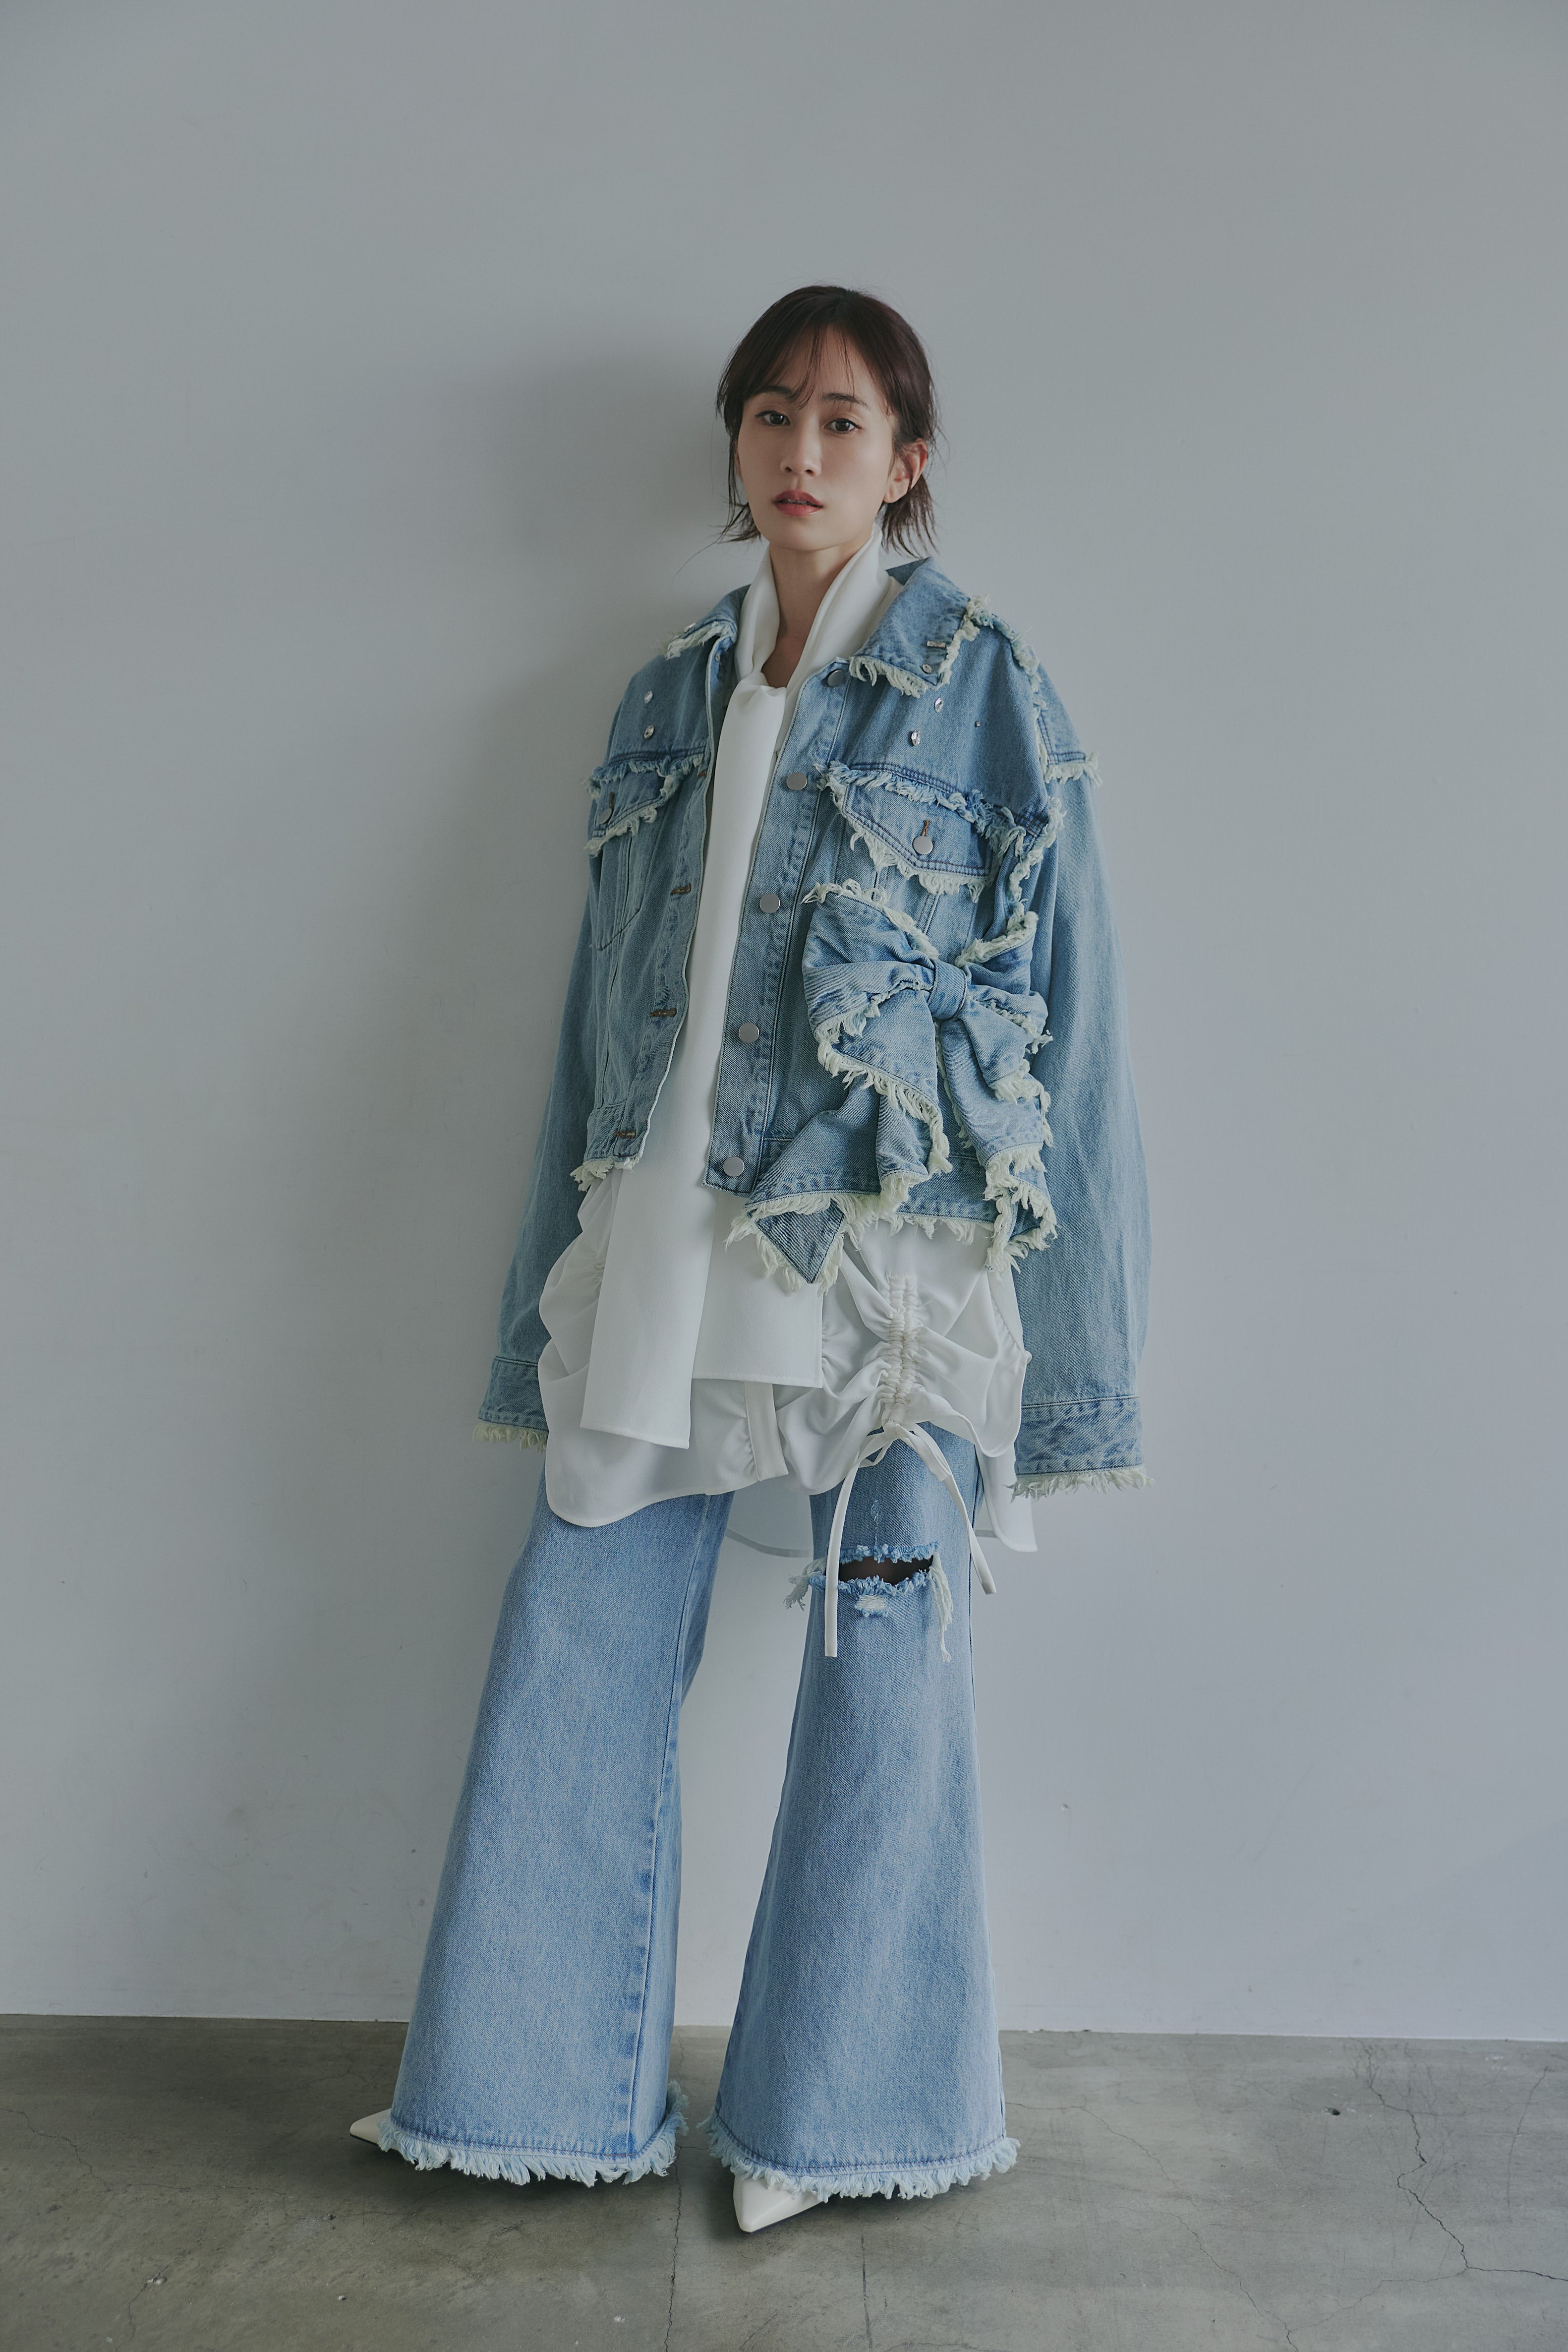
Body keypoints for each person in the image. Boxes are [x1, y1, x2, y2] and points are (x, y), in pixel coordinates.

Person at [350, 286, 1150, 2233]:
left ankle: (844, 2124)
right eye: (774, 413)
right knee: (579, 1634)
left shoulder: (985, 685)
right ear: (736, 440)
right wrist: (539, 1287)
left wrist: (1072, 1366)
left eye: (845, 422)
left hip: (888, 1265)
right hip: (664, 1232)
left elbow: (1075, 1027)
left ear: (906, 462)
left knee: (886, 1665)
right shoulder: (665, 695)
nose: (802, 450)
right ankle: (533, 2094)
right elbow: (595, 1026)